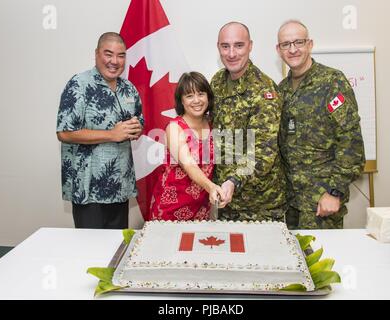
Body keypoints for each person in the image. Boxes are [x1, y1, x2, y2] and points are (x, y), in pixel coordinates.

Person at [276, 20, 365, 229]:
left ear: (310, 44)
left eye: (298, 42)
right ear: (278, 50)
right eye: (286, 44)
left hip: (321, 202)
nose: (293, 49)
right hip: (292, 203)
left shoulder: (332, 81)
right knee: (297, 259)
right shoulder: (282, 90)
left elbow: (351, 141)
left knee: (322, 261)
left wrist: (335, 191)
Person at [56, 32, 144, 229]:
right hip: (89, 190)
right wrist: (112, 135)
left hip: (120, 186)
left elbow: (138, 120)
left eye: (121, 55)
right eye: (108, 54)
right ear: (96, 54)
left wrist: (136, 128)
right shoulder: (79, 84)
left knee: (115, 249)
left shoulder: (128, 88)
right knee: (90, 252)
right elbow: (64, 132)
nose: (115, 61)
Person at [210, 21, 288, 222]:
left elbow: (263, 152)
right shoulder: (217, 82)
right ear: (218, 47)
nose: (231, 53)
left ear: (250, 46)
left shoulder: (264, 90)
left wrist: (233, 180)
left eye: (239, 45)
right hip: (226, 201)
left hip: (260, 206)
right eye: (225, 46)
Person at [149, 72, 226, 221]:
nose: (196, 100)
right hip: (171, 208)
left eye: (201, 94)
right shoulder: (174, 128)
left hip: (201, 208)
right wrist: (211, 187)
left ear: (208, 97)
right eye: (189, 96)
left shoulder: (212, 124)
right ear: (181, 101)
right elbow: (189, 165)